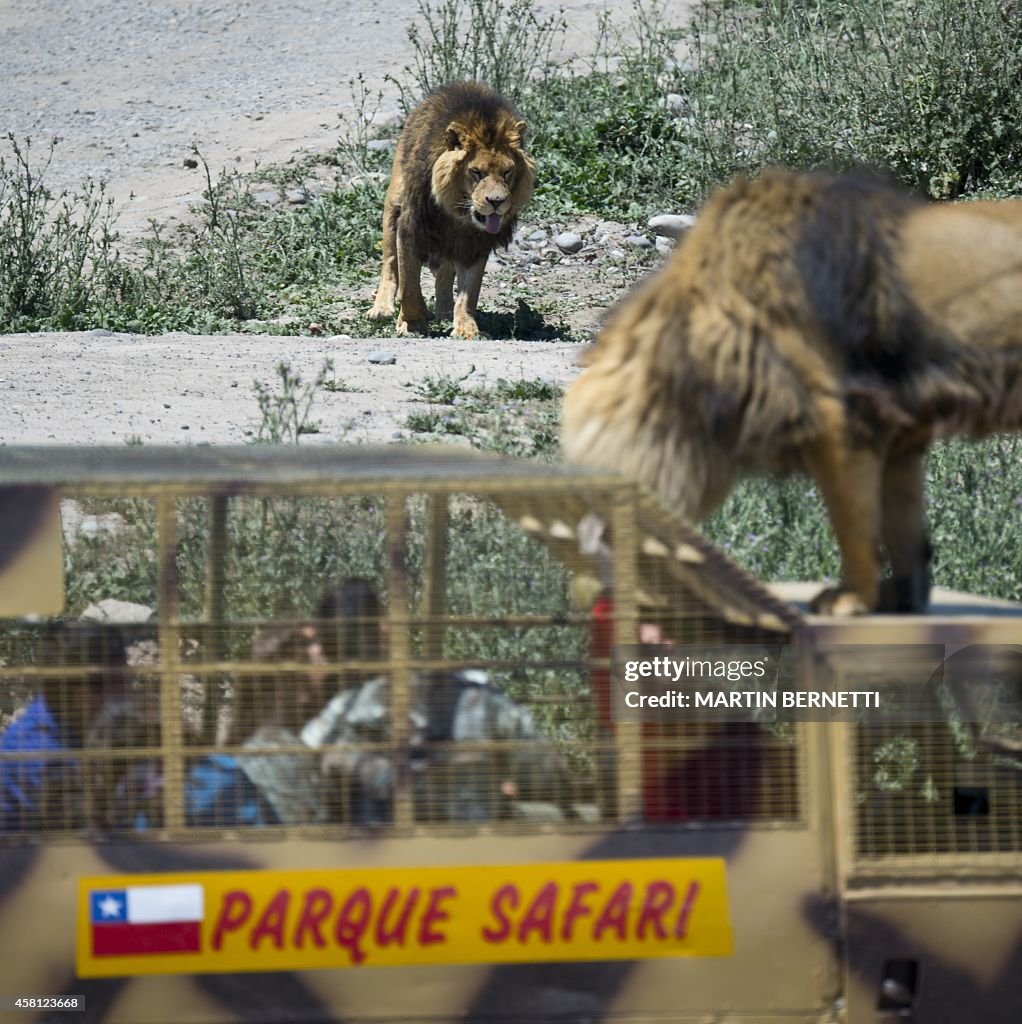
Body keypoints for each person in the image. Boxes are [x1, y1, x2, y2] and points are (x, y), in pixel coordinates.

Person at [301, 578, 576, 825]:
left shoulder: (337, 718)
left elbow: (305, 789)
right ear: (388, 630)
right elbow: (549, 775)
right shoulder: (476, 700)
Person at [0, 622, 127, 832]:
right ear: (81, 696)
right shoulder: (40, 755)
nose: (125, 695)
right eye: (120, 685)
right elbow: (94, 838)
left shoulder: (65, 719)